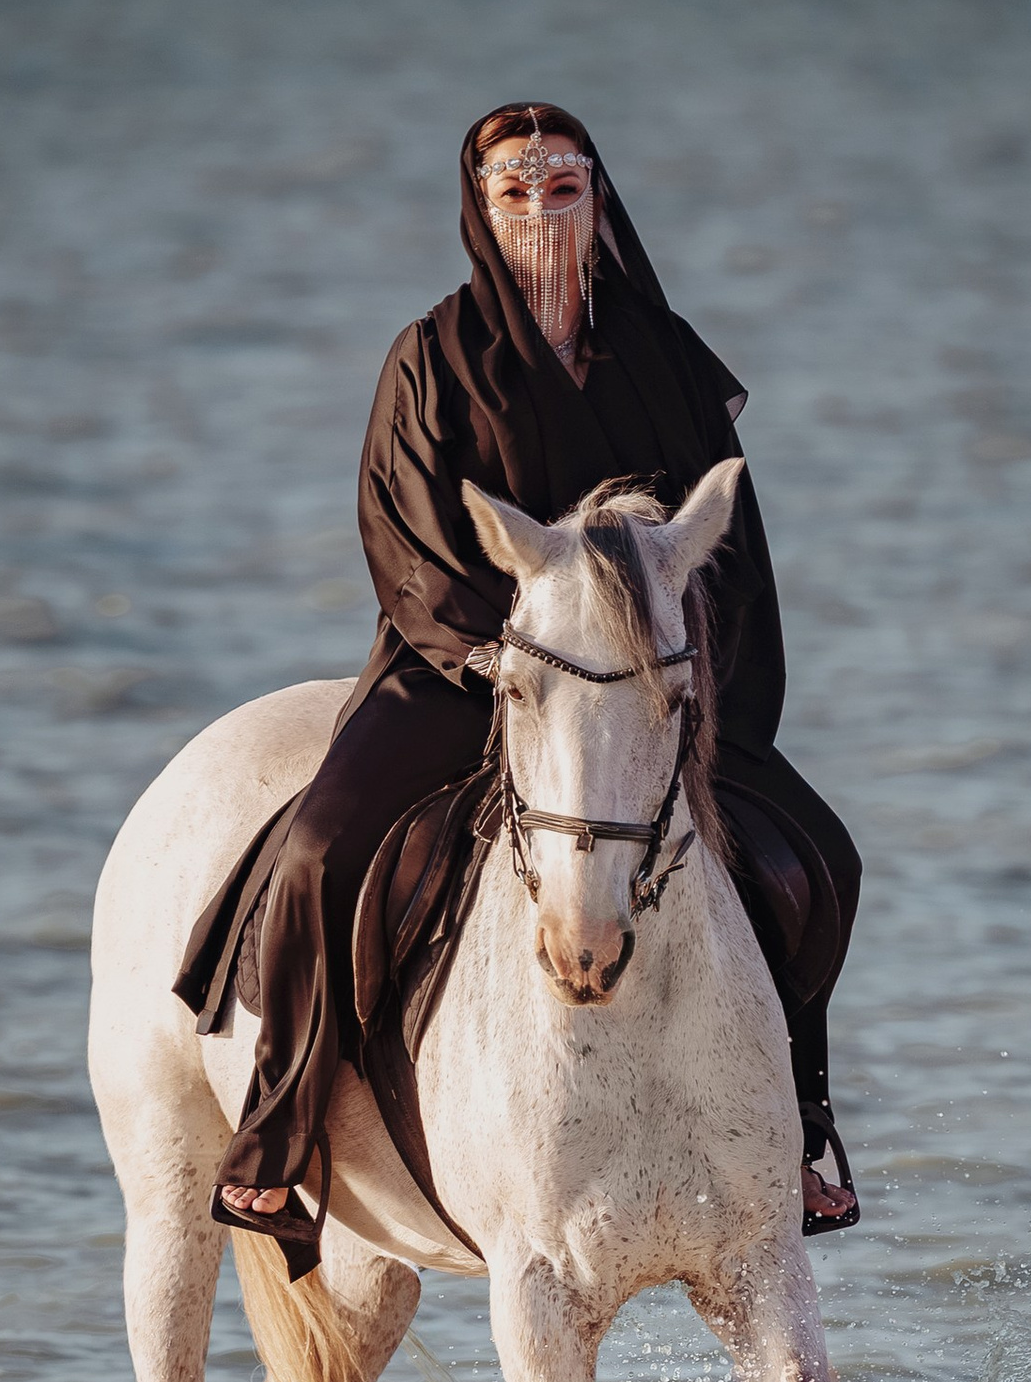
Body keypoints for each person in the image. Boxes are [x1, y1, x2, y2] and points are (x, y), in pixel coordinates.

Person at [176, 103, 860, 1278]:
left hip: (636, 687)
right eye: (514, 190)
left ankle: (795, 1126)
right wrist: (494, 660)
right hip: (464, 667)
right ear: (480, 209)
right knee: (318, 851)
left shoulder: (663, 355)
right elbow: (402, 539)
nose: (540, 210)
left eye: (561, 187)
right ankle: (283, 1125)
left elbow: (725, 545)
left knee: (817, 858)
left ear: (596, 199)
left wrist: (704, 690)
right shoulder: (429, 355)